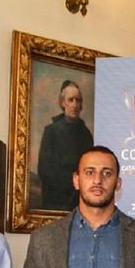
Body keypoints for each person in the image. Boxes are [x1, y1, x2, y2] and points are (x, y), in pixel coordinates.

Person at [38, 80, 94, 210]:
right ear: (63, 103)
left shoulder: (86, 135)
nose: (74, 105)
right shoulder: (51, 131)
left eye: (78, 100)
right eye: (71, 100)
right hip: (56, 200)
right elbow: (44, 169)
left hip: (80, 201)